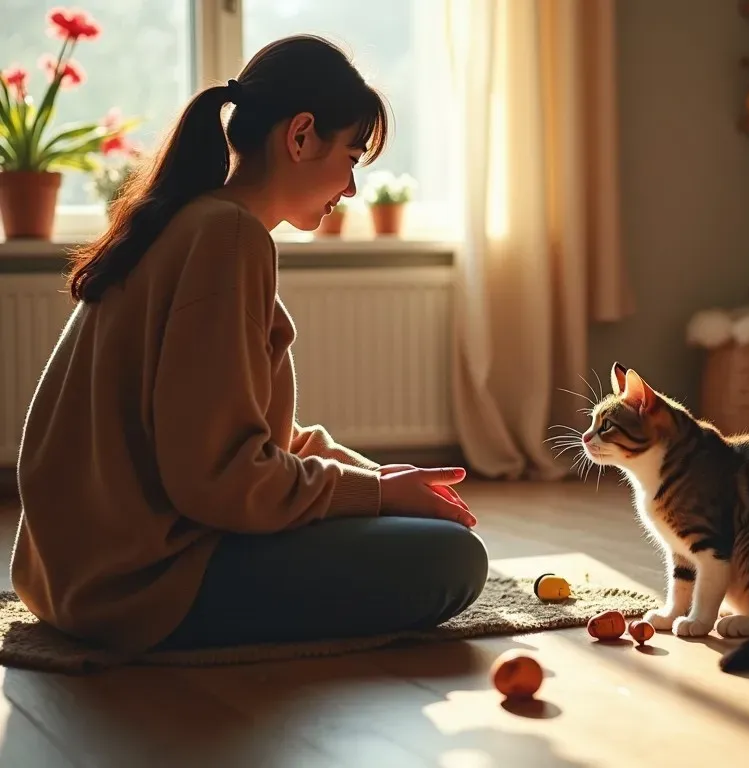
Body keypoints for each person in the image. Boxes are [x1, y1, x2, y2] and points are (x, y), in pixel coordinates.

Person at [11, 34, 488, 655]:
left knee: (408, 528)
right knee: (451, 561)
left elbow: (240, 432)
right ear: (300, 136)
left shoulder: (192, 220)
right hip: (140, 584)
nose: (349, 188)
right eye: (350, 156)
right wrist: (370, 496)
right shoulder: (228, 238)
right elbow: (220, 479)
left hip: (76, 576)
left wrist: (376, 481)